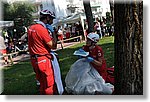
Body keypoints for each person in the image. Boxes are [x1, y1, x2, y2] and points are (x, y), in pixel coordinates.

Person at [28, 9, 57, 95]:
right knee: (49, 85)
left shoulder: (31, 28)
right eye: (51, 19)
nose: (52, 21)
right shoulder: (42, 29)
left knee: (42, 84)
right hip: (43, 59)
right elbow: (53, 46)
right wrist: (53, 32)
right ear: (47, 18)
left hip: (34, 60)